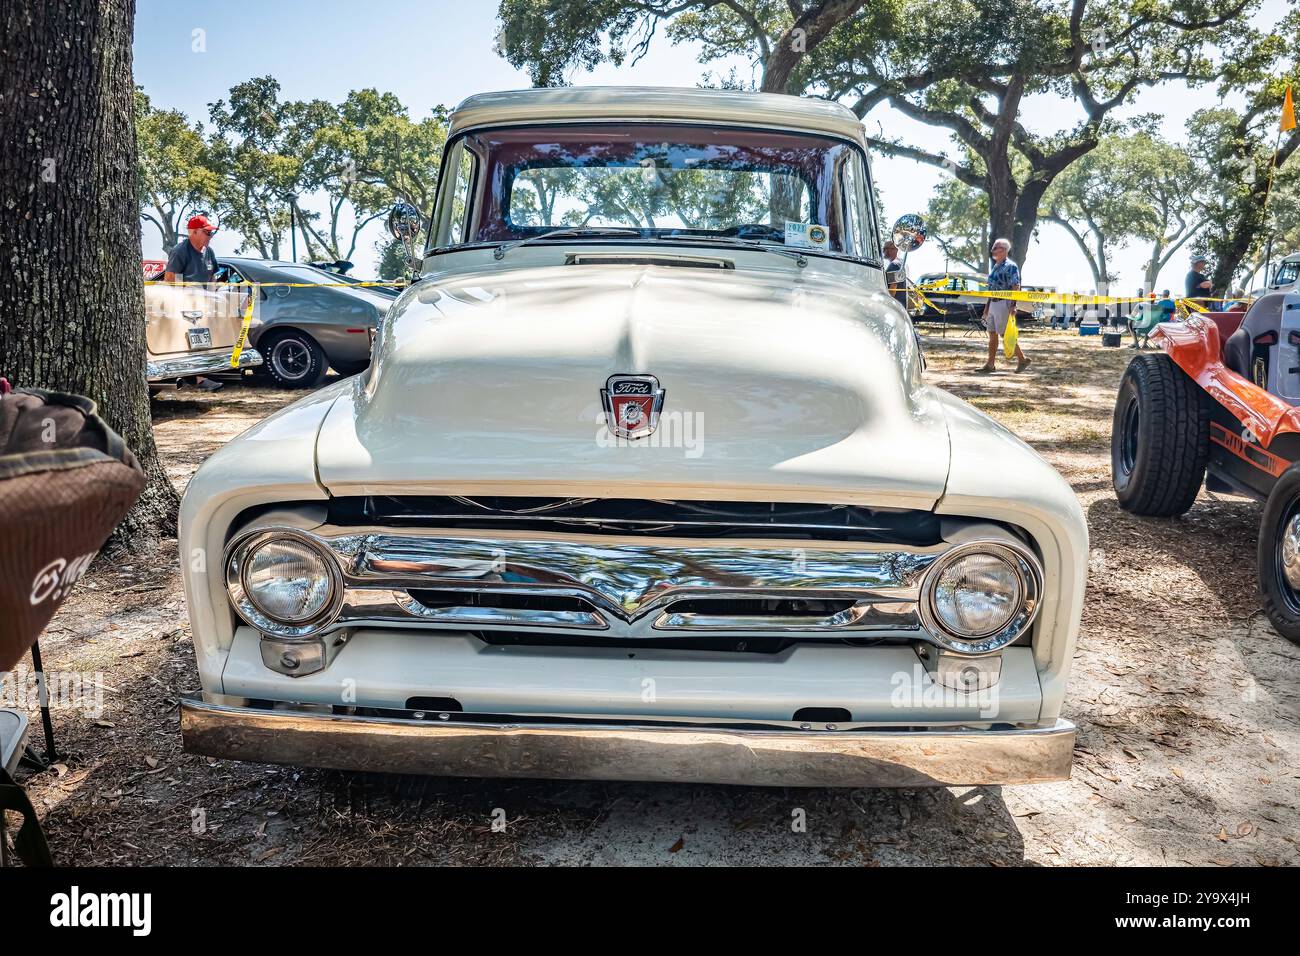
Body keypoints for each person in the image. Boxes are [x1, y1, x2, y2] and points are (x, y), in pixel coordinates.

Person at [162, 214, 223, 390]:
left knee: (204, 339)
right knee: (194, 340)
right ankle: (198, 378)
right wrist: (181, 301)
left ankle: (201, 375)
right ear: (194, 233)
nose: (210, 237)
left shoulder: (209, 251)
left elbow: (212, 277)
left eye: (211, 233)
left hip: (205, 302)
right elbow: (170, 278)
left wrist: (212, 297)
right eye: (207, 233)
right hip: (186, 304)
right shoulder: (180, 251)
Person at [978, 238, 1028, 373]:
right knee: (992, 334)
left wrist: (1013, 305)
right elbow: (992, 288)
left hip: (1003, 303)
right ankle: (990, 364)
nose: (992, 250)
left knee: (1005, 334)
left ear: (1004, 250)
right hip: (993, 303)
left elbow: (1016, 286)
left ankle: (1022, 359)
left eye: (996, 248)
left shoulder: (1010, 266)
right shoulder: (995, 267)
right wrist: (987, 307)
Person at [882, 240, 907, 308]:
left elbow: (893, 288)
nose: (883, 251)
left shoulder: (894, 265)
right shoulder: (900, 263)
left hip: (894, 306)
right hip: (901, 306)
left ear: (894, 250)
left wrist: (887, 304)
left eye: (885, 249)